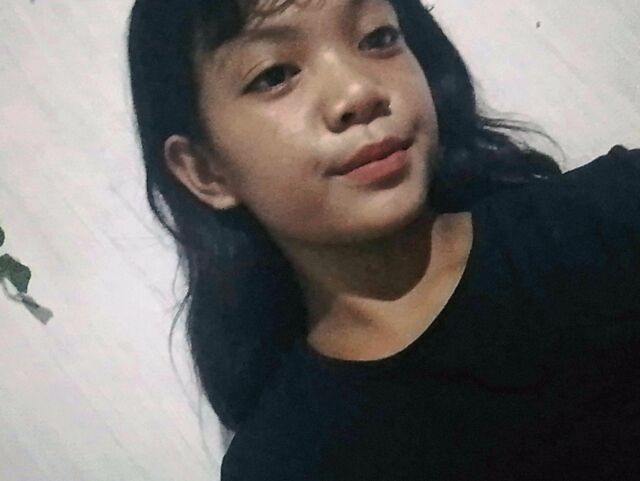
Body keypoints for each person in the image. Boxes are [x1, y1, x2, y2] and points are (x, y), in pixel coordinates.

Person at [126, 0, 640, 479]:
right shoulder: (283, 462)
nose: (358, 92)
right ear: (206, 171)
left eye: (378, 38)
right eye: (275, 74)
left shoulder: (613, 212)